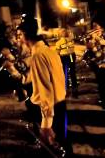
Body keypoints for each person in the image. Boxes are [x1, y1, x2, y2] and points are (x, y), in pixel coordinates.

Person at [18, 17, 73, 156]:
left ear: (25, 35)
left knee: (54, 151)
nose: (18, 40)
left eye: (19, 36)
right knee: (63, 146)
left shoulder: (38, 55)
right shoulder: (48, 50)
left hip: (52, 110)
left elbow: (45, 91)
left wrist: (46, 124)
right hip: (59, 105)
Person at [55, 27, 78, 97]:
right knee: (69, 73)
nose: (63, 33)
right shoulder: (69, 40)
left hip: (67, 57)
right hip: (68, 57)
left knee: (68, 73)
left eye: (63, 32)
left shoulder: (63, 41)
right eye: (62, 32)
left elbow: (57, 53)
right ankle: (71, 90)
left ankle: (70, 90)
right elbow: (57, 52)